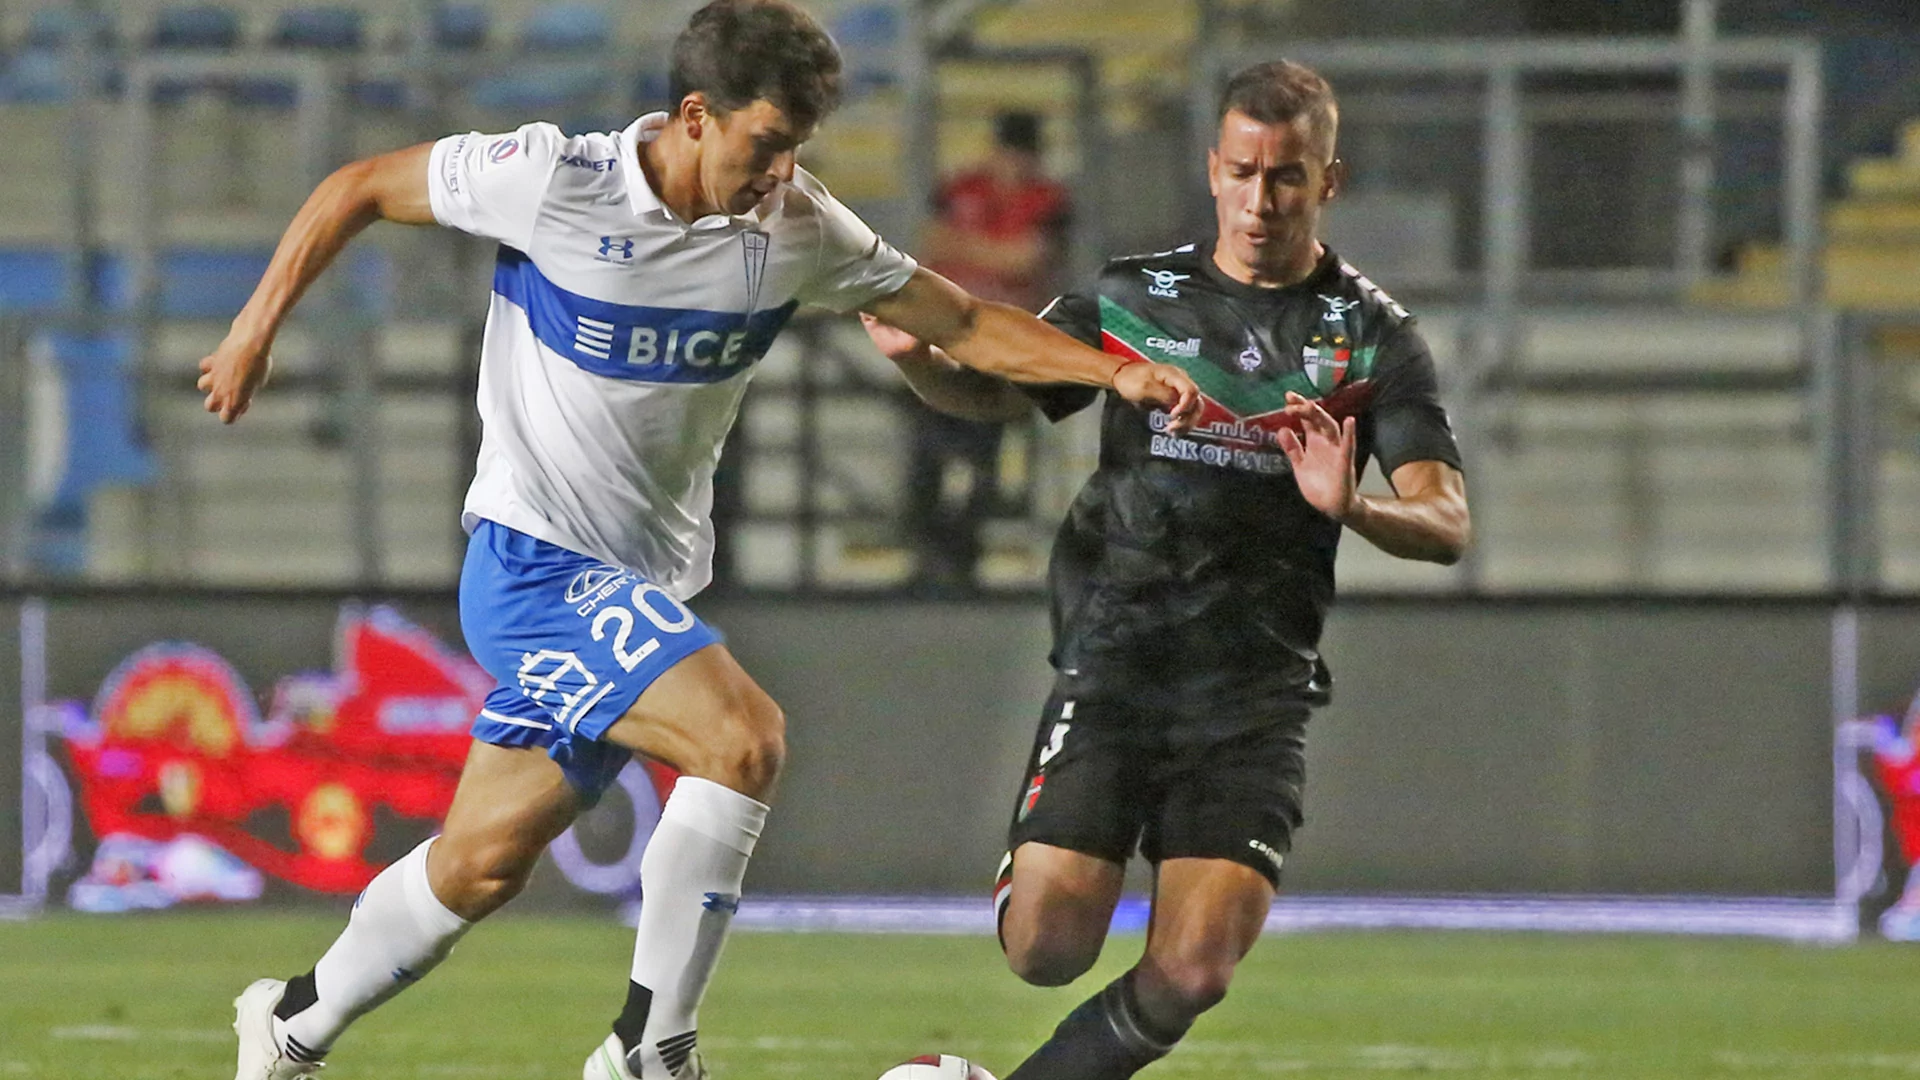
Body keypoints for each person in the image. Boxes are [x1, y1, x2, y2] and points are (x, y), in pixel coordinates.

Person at [196, 4, 1199, 1079]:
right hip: (533, 565)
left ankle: (291, 1022)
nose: (779, 171)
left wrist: (1113, 373)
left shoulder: (797, 227)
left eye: (795, 150)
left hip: (638, 586)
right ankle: (649, 1049)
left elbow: (957, 318)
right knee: (743, 740)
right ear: (693, 116)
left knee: (480, 864)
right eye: (764, 144)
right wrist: (254, 329)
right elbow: (356, 186)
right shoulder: (550, 180)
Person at [863, 59, 1470, 1080]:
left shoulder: (1375, 341)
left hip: (1253, 688)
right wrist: (923, 364)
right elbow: (997, 396)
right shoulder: (1133, 296)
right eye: (1242, 172)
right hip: (1119, 654)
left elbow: (1447, 521)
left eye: (1286, 177)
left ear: (1329, 180)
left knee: (1194, 970)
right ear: (1212, 168)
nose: (1260, 200)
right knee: (1047, 949)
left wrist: (1351, 505)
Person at [906, 111, 1072, 593]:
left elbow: (1028, 258)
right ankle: (928, 551)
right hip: (944, 337)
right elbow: (930, 243)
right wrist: (993, 252)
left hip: (1003, 346)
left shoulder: (1047, 199)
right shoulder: (961, 187)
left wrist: (966, 250)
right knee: (927, 449)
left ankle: (962, 555)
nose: (1015, 163)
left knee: (983, 451)